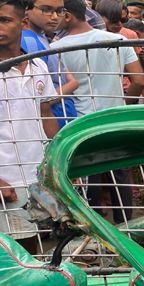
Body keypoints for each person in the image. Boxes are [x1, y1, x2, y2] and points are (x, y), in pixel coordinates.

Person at [50, 0, 144, 224]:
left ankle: (95, 228)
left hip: (83, 120)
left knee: (88, 175)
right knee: (120, 175)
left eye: (56, 13)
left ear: (67, 16)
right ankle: (126, 227)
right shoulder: (118, 40)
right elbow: (139, 81)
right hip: (115, 118)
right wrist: (124, 104)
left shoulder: (56, 49)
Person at [0, 0, 60, 254]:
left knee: (33, 241)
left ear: (23, 23)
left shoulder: (38, 65)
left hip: (35, 173)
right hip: (6, 177)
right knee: (12, 247)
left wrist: (60, 160)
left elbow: (45, 113)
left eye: (4, 20)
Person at [20, 0, 79, 128]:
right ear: (26, 9)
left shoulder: (40, 36)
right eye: (46, 10)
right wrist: (72, 85)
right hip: (50, 125)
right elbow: (35, 99)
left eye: (60, 11)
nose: (55, 17)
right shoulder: (30, 42)